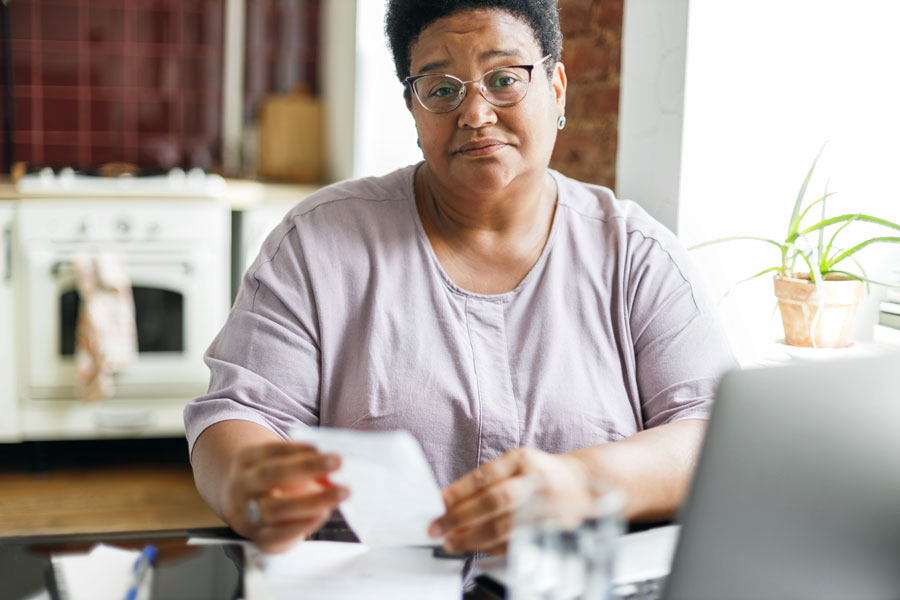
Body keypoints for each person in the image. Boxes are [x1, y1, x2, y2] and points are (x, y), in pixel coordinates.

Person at [185, 0, 736, 555]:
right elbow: (239, 412)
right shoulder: (317, 243)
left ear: (558, 87)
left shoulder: (635, 256)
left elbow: (716, 435)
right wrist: (246, 484)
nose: (475, 114)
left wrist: (582, 483)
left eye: (503, 79)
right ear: (413, 108)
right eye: (442, 89)